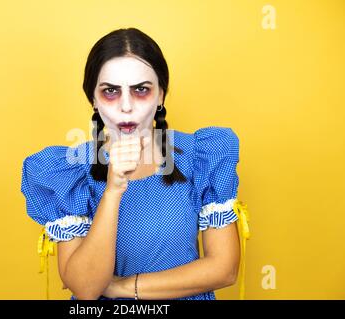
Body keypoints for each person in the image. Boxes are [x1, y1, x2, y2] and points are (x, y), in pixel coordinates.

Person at [21, 27, 241, 300]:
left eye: (141, 90)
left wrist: (123, 287)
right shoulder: (70, 172)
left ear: (161, 95)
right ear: (93, 99)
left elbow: (224, 269)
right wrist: (112, 191)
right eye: (111, 91)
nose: (126, 106)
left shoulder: (201, 156)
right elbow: (86, 288)